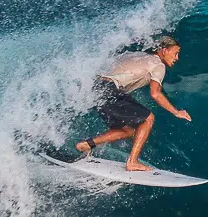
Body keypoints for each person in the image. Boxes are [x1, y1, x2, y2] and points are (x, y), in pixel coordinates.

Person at [75, 36, 191, 171]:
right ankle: (132, 162)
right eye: (175, 53)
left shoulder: (138, 55)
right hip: (110, 90)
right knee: (148, 118)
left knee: (127, 130)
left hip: (96, 89)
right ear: (164, 50)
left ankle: (86, 145)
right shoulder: (158, 65)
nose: (177, 58)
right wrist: (176, 112)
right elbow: (155, 93)